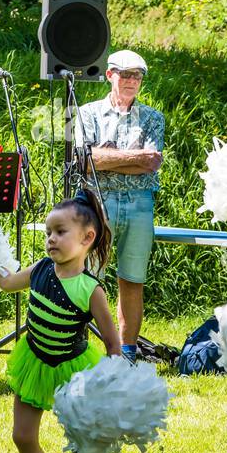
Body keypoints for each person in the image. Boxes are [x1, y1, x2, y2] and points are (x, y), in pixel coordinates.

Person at [0, 191, 121, 453]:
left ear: (87, 238)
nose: (51, 239)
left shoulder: (90, 289)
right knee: (22, 436)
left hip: (74, 369)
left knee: (83, 442)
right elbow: (6, 283)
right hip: (35, 362)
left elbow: (112, 341)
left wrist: (113, 379)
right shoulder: (39, 270)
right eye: (49, 232)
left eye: (60, 232)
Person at [77, 49, 165, 364]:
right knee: (89, 277)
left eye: (136, 76)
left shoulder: (154, 118)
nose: (131, 81)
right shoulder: (87, 113)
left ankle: (127, 353)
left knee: (133, 278)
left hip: (140, 205)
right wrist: (134, 157)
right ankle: (82, 347)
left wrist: (109, 158)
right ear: (110, 75)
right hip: (98, 204)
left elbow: (151, 164)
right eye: (125, 75)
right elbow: (87, 162)